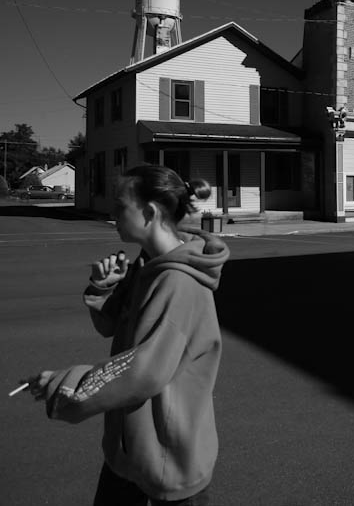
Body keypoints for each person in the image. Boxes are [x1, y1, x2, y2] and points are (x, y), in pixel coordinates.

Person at [23, 165, 230, 506]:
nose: (112, 214)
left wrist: (63, 385)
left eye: (120, 206)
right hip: (130, 450)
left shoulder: (178, 282)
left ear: (149, 212)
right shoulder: (148, 266)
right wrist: (105, 288)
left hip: (169, 458)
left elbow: (142, 371)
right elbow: (110, 327)